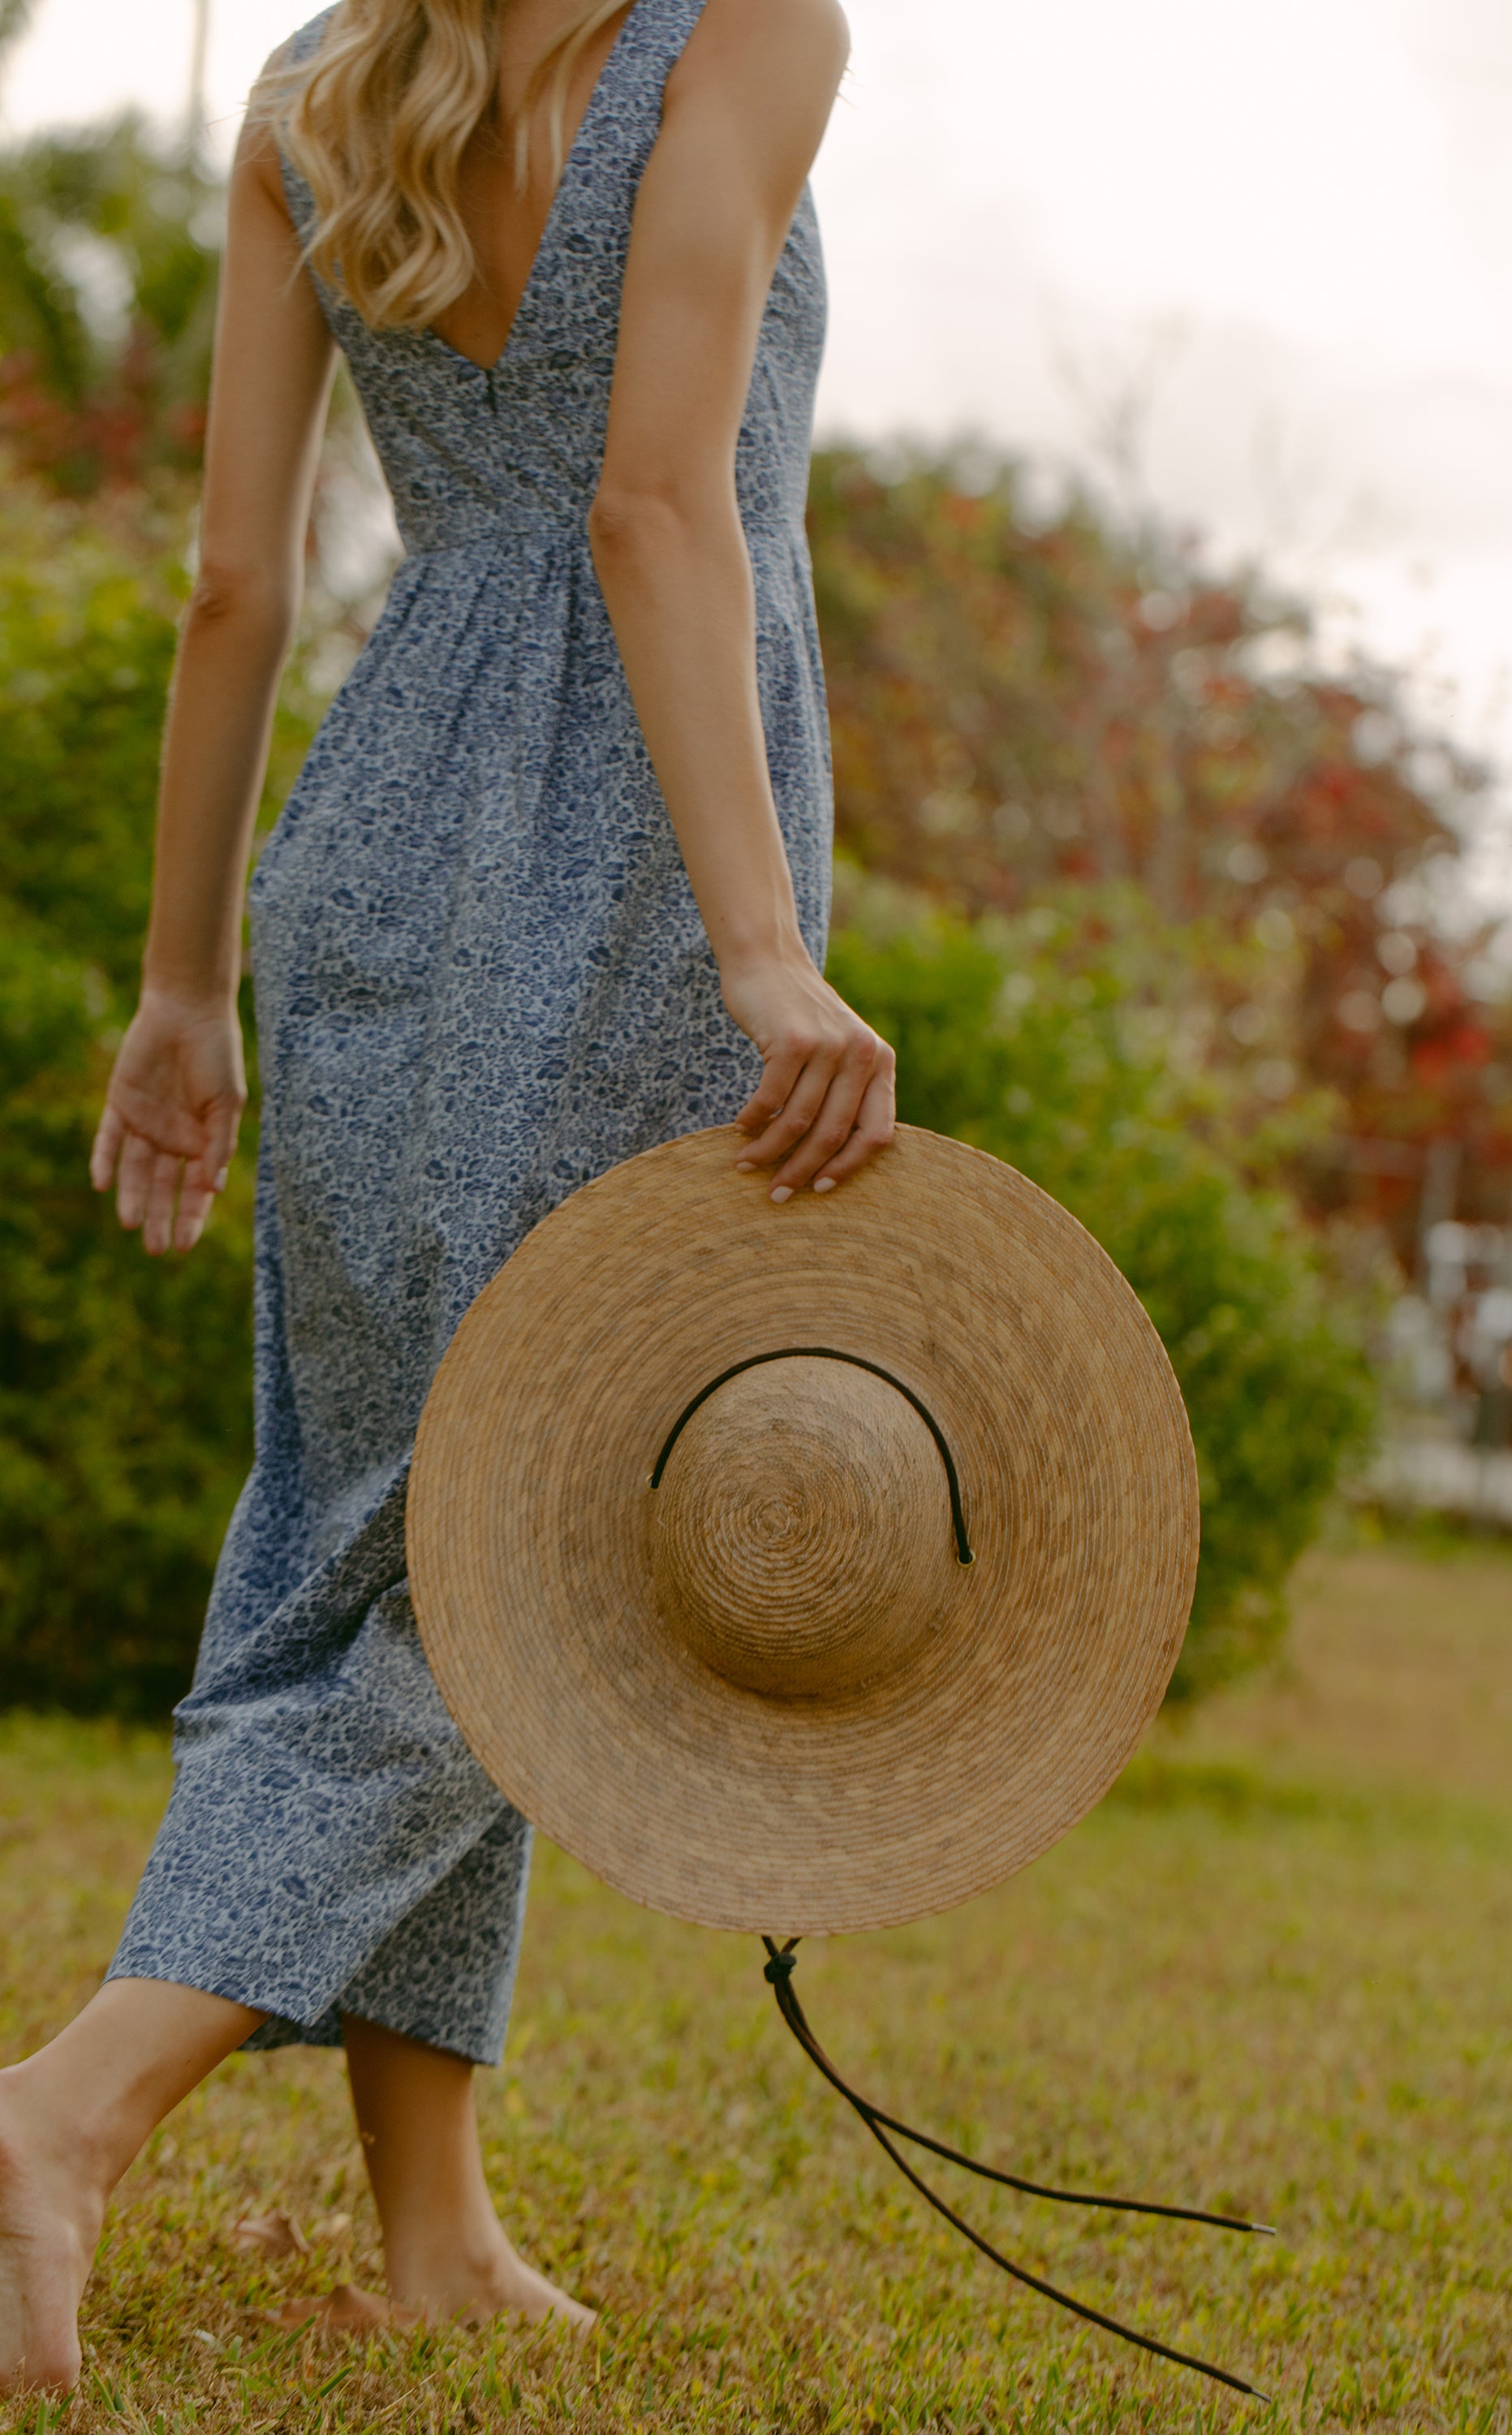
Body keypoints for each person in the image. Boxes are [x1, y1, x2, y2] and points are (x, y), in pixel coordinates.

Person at [0, 0, 892, 2392]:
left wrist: (186, 983)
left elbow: (232, 586)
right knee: (547, 1544)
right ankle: (72, 2108)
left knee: (389, 1514)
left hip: (374, 853)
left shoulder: (318, 85)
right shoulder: (753, 31)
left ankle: (430, 2217)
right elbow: (655, 504)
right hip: (629, 857)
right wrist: (761, 946)